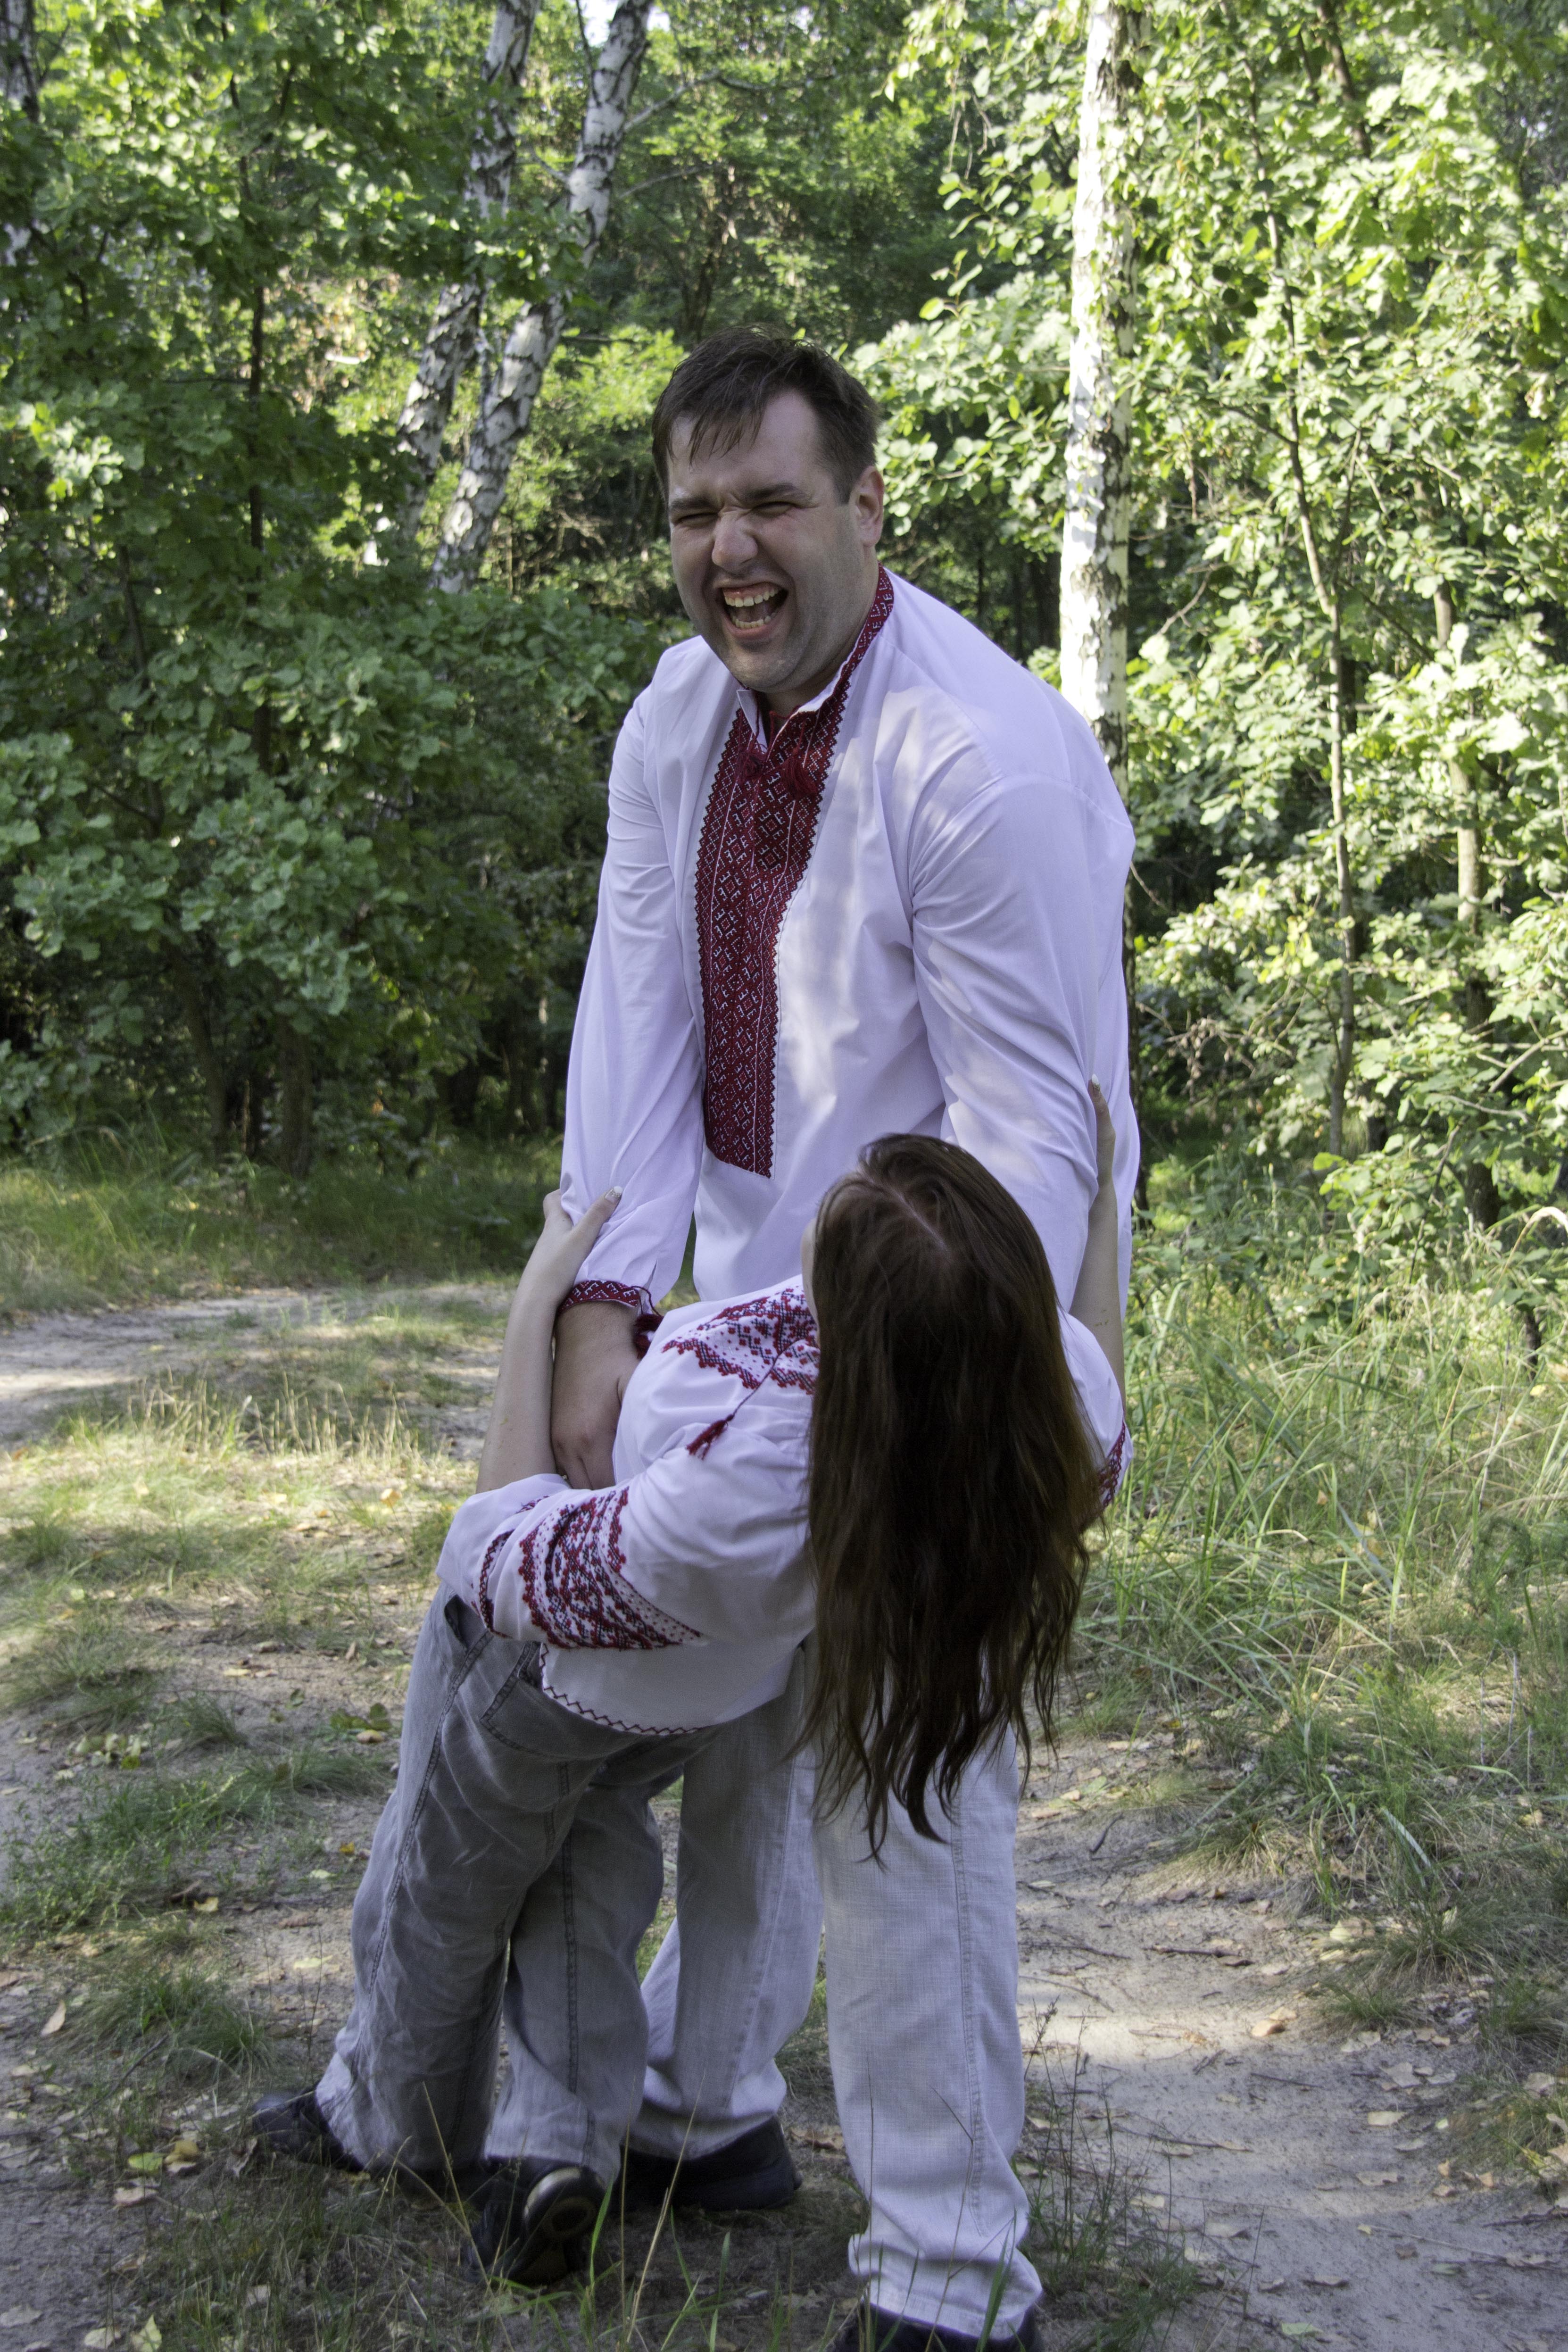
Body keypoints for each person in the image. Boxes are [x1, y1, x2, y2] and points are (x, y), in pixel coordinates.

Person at [545, 327, 1137, 2330]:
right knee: (726, 1707)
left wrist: (888, 1402)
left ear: (869, 508)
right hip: (743, 1301)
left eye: (773, 502)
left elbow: (1034, 1136)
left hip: (965, 1321)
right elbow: (636, 1025)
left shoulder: (976, 753)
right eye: (696, 510)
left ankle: (954, 2272)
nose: (732, 547)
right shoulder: (672, 720)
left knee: (900, 1766)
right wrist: (608, 1304)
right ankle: (703, 2106)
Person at [255, 1087, 1127, 2345]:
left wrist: (537, 1309)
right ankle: (570, 2143)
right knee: (587, 1852)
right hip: (729, 1683)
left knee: (445, 1875)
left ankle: (397, 2121)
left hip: (569, 1646)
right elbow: (1094, 1372)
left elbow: (499, 1553)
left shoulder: (742, 1482)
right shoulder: (1032, 1413)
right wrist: (1099, 1217)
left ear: (848, 1339)